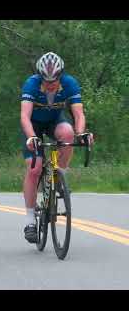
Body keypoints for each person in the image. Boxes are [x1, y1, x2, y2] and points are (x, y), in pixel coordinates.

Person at [20, 52, 93, 243]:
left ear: (61, 76)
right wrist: (32, 137)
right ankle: (29, 221)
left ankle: (60, 173)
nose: (51, 84)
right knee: (34, 168)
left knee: (68, 133)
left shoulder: (70, 83)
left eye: (55, 81)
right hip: (33, 126)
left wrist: (81, 133)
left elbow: (78, 114)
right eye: (46, 81)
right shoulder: (31, 84)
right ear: (40, 77)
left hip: (55, 122)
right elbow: (25, 116)